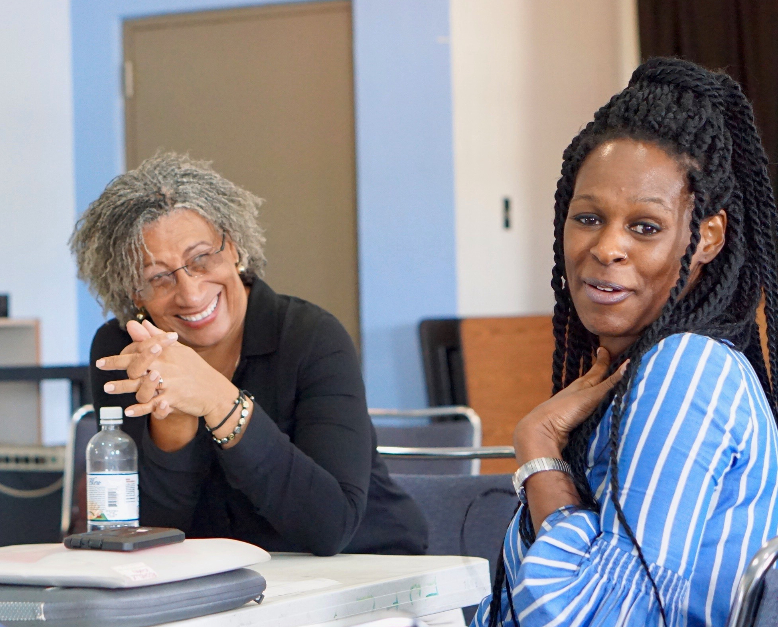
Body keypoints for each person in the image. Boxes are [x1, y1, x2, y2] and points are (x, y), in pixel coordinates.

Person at [475, 58, 778, 626]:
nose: (607, 247)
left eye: (645, 227)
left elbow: (605, 618)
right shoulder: (634, 371)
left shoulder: (686, 369)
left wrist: (538, 451)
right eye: (588, 218)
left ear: (707, 236)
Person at [71, 153, 426, 556]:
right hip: (222, 584)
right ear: (134, 292)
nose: (190, 293)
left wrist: (219, 402)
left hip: (365, 573)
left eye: (201, 259)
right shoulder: (124, 351)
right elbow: (151, 532)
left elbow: (329, 527)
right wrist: (176, 420)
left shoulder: (311, 338)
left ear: (234, 248)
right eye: (158, 277)